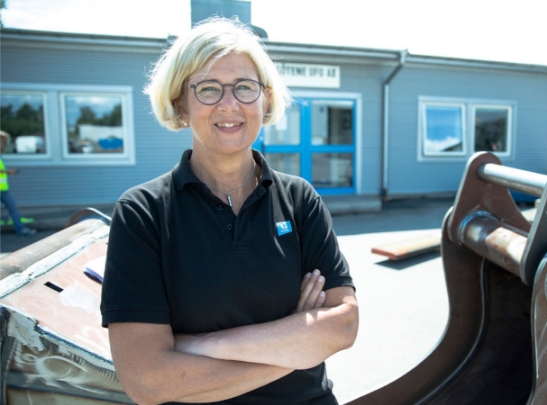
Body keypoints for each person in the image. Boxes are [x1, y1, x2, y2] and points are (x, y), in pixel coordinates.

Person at [100, 17, 358, 405]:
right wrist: (297, 345)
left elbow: (343, 326)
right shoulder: (143, 212)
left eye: (244, 87)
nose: (229, 104)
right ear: (180, 104)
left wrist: (203, 346)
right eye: (208, 89)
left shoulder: (300, 199)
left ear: (265, 99)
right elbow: (148, 380)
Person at [0, 131, 38, 237]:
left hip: (4, 189)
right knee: (13, 209)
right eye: (4, 142)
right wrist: (8, 172)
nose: (5, 145)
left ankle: (21, 230)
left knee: (13, 209)